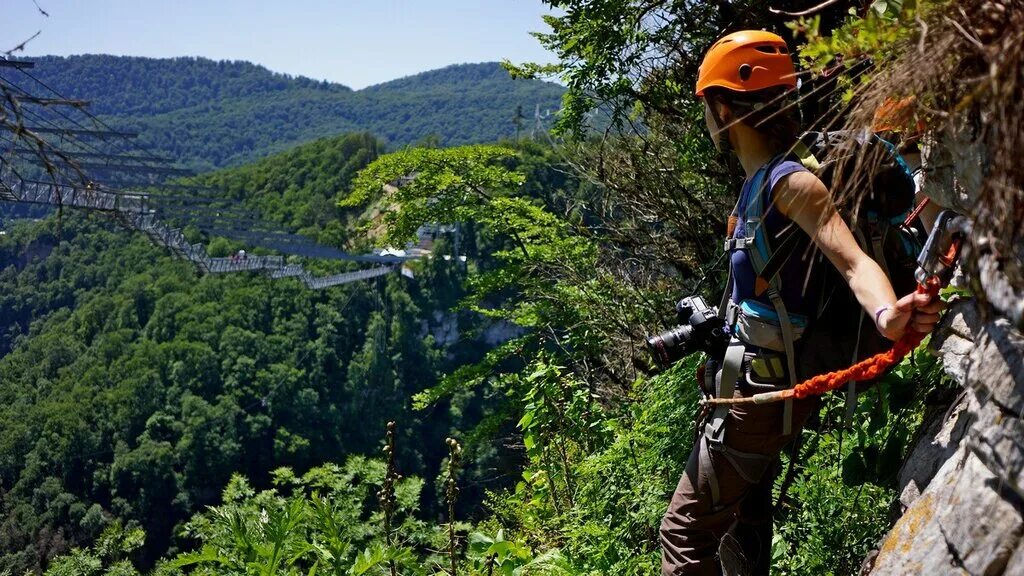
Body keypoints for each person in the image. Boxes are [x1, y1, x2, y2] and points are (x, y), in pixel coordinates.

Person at [659, 30, 946, 575]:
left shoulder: (790, 183)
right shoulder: (756, 185)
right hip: (755, 384)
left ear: (723, 108)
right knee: (742, 521)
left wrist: (888, 316)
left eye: (707, 107)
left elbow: (854, 261)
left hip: (760, 397)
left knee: (684, 535)